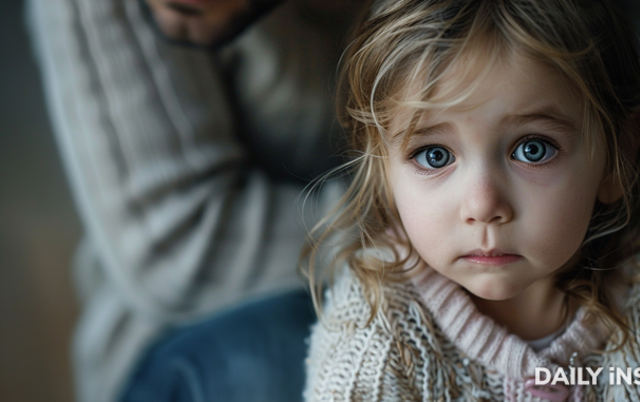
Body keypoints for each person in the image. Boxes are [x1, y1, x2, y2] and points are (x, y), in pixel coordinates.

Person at [303, 0, 640, 400]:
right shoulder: (371, 340)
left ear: (618, 158)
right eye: (435, 156)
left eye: (533, 149)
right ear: (383, 173)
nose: (482, 207)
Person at [26, 0, 359, 400]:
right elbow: (179, 243)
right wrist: (410, 230)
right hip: (183, 330)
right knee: (280, 361)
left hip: (408, 256)